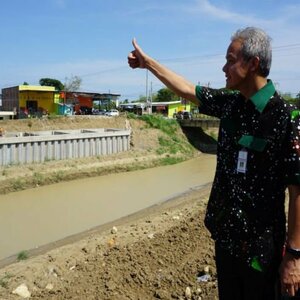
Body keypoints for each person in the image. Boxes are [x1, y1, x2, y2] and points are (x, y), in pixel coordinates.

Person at [128, 27, 300, 300]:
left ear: (253, 63)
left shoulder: (287, 117)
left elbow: (297, 193)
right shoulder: (230, 104)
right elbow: (186, 88)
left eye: (231, 60)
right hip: (226, 242)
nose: (224, 67)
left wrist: (293, 257)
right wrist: (148, 64)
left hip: (262, 251)